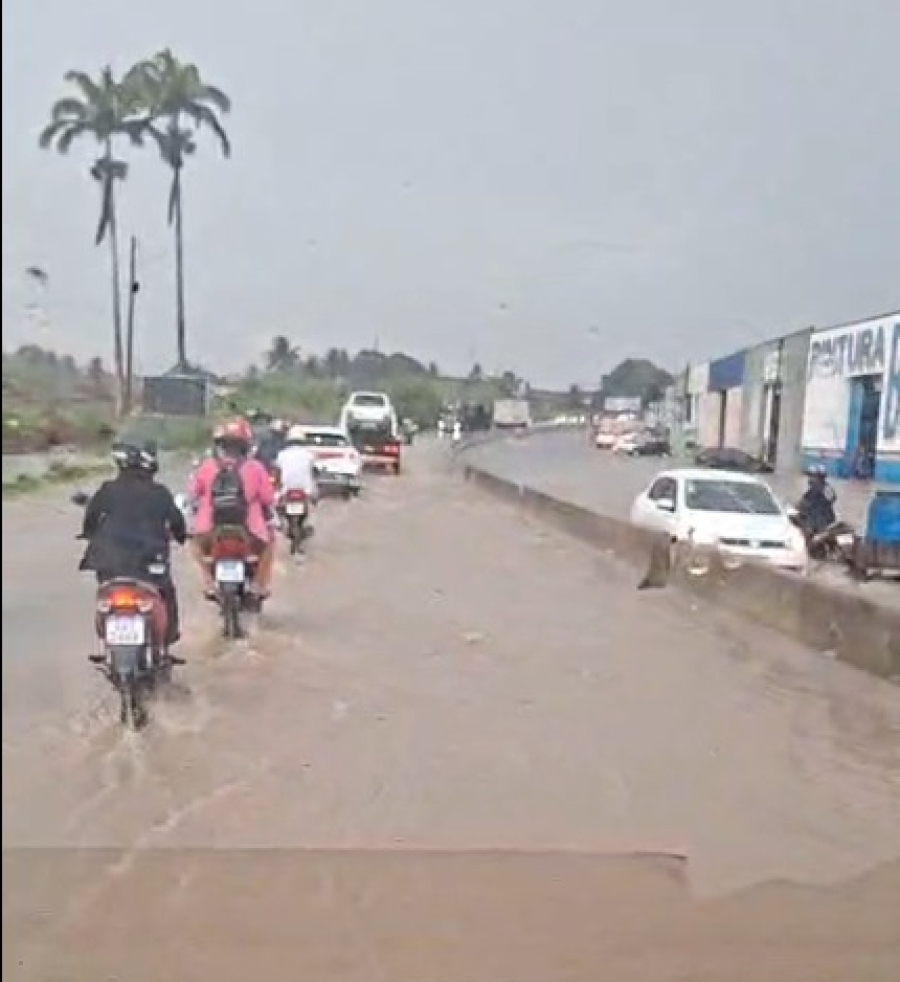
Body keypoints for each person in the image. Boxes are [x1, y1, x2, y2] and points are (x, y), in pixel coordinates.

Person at [78, 440, 187, 646]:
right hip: (148, 561)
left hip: (109, 561)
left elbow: (91, 517)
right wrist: (181, 536)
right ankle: (169, 636)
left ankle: (108, 639)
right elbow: (177, 522)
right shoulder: (160, 493)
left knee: (105, 594)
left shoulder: (108, 490)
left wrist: (88, 534)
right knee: (166, 593)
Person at [189, 417, 277, 599]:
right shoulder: (256, 468)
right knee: (270, 543)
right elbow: (268, 499)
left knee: (195, 545)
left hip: (209, 528)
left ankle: (209, 583)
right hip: (250, 530)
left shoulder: (207, 467)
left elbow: (193, 494)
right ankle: (258, 585)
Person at [275, 424, 318, 502]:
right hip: (306, 490)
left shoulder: (282, 454)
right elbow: (314, 472)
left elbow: (277, 472)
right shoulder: (309, 454)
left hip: (286, 489)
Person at [796, 464, 837, 536]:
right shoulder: (826, 487)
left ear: (818, 477)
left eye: (811, 476)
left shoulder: (816, 490)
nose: (809, 479)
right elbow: (833, 499)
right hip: (826, 521)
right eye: (810, 476)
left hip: (817, 524)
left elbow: (802, 505)